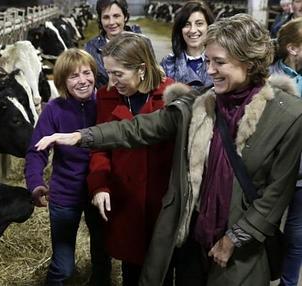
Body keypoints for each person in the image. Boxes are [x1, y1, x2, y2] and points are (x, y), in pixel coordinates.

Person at [35, 14, 302, 286]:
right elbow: (140, 128)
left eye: (219, 62)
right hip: (193, 235)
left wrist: (235, 238)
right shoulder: (200, 102)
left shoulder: (287, 116)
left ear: (249, 62)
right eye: (208, 61)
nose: (209, 70)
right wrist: (82, 136)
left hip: (241, 247)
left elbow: (276, 194)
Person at [87, 32, 174, 286]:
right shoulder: (107, 96)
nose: (111, 82)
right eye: (109, 73)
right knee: (131, 270)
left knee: (163, 273)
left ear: (142, 69)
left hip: (161, 201)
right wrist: (100, 186)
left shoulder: (171, 95)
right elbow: (100, 147)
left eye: (118, 74)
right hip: (126, 199)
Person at [24, 48, 111, 286]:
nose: (83, 81)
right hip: (65, 193)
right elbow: (36, 151)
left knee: (103, 258)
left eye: (87, 73)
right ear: (62, 81)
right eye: (74, 76)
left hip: (101, 192)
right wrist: (36, 183)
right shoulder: (54, 109)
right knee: (63, 266)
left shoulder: (106, 102)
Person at [270, 18, 302, 286]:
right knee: (264, 229)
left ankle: (288, 284)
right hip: (273, 172)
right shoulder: (269, 78)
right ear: (293, 48)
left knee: (296, 236)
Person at [84, 0, 141, 89]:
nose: (111, 22)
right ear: (100, 19)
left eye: (116, 16)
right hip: (106, 100)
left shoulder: (141, 43)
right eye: (106, 17)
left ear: (125, 17)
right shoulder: (90, 48)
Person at [160, 1, 214, 92]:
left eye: (199, 23)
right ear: (180, 29)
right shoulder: (168, 64)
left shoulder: (220, 62)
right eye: (186, 24)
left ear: (209, 26)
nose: (192, 30)